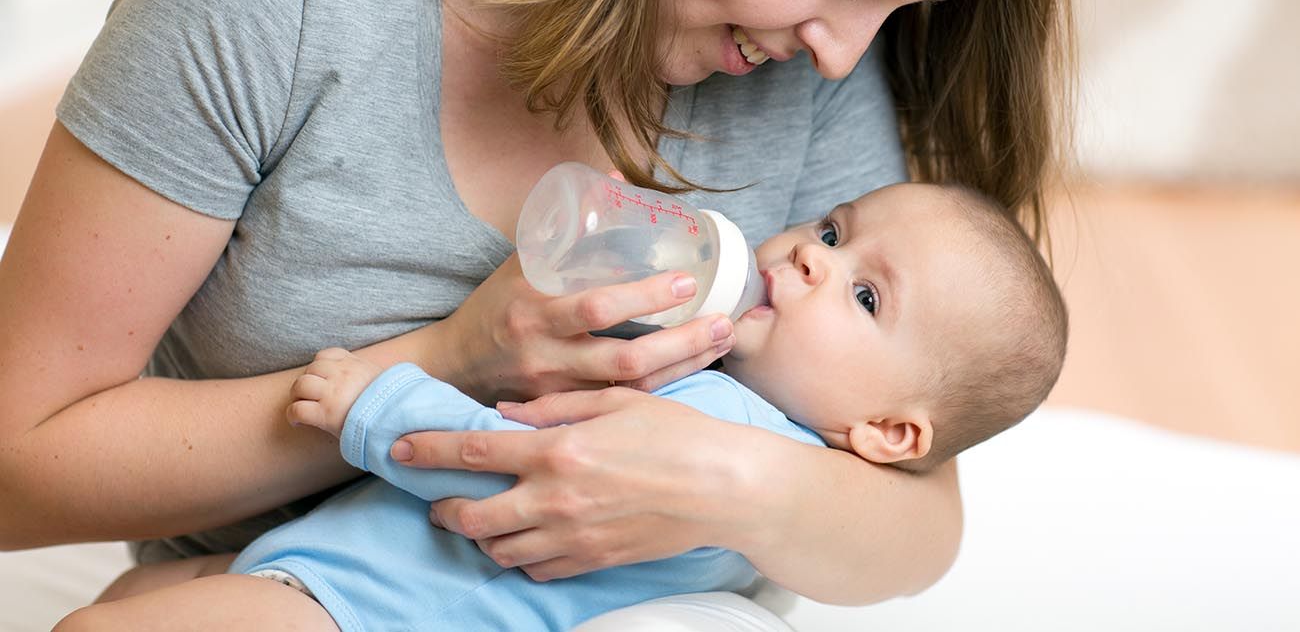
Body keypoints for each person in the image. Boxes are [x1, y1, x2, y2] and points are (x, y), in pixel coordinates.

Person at [0, 0, 1080, 623]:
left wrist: (730, 483)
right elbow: (14, 470)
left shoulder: (800, 65)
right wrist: (454, 357)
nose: (847, 48)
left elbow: (914, 513)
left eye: (896, 2)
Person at [54, 182, 1068, 631]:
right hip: (326, 572)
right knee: (125, 604)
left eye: (862, 293)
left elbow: (511, 462)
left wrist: (377, 401)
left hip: (368, 613)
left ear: (890, 431)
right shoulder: (721, 392)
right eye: (837, 228)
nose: (810, 252)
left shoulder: (736, 437)